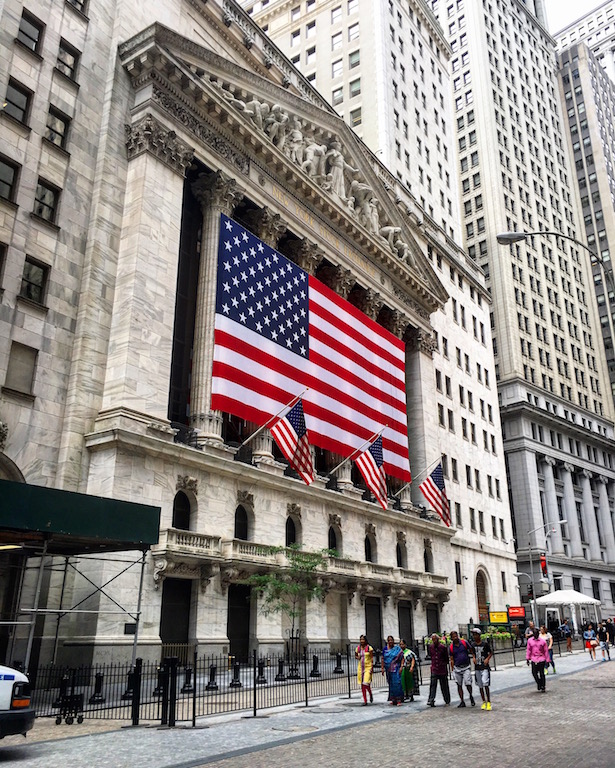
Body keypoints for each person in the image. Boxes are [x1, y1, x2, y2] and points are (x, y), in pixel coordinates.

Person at [449, 630, 475, 707]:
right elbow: (451, 658)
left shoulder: (464, 643)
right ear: (451, 638)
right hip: (457, 668)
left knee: (468, 683)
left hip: (466, 666)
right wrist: (452, 669)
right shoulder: (451, 647)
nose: (455, 638)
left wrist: (473, 657)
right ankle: (462, 700)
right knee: (459, 685)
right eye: (453, 637)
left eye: (456, 636)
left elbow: (471, 650)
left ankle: (471, 695)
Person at [471, 628, 493, 710]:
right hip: (477, 667)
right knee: (480, 685)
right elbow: (472, 652)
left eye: (476, 635)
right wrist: (473, 658)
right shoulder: (473, 645)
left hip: (484, 667)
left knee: (485, 683)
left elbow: (490, 652)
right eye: (473, 635)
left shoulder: (485, 644)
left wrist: (487, 659)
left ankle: (489, 701)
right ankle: (483, 701)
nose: (474, 636)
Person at [426, 633, 450, 707]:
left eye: (435, 639)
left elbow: (446, 658)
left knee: (444, 686)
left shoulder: (443, 647)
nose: (434, 641)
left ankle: (447, 700)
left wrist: (443, 664)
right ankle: (431, 700)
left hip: (442, 669)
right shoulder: (431, 647)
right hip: (434, 669)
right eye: (433, 639)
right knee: (433, 685)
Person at [381, 636, 404, 706]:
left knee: (397, 683)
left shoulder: (397, 649)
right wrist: (382, 668)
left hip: (396, 668)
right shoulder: (385, 649)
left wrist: (401, 666)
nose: (390, 642)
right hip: (388, 670)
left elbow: (402, 657)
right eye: (389, 640)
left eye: (391, 640)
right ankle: (393, 699)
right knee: (391, 684)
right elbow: (382, 658)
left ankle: (399, 699)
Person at [526, 626, 549, 692]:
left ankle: (543, 686)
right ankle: (539, 683)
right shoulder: (530, 641)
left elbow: (545, 651)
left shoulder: (542, 641)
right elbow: (528, 650)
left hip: (541, 658)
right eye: (534, 634)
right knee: (534, 673)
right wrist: (527, 658)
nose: (536, 635)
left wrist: (547, 660)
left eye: (537, 634)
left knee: (542, 673)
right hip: (534, 658)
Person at [355, 635, 375, 705]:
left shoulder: (369, 648)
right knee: (362, 684)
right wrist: (358, 657)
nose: (362, 641)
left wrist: (372, 668)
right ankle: (365, 700)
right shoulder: (358, 648)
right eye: (361, 639)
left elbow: (372, 658)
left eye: (363, 639)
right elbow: (356, 656)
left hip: (368, 667)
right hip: (361, 667)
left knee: (366, 682)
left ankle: (370, 693)